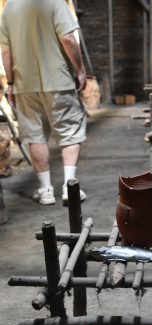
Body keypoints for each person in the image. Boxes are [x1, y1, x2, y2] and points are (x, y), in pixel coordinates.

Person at [0, 0, 87, 206]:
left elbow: (5, 51)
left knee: (35, 136)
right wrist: (80, 70)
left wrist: (11, 83)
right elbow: (68, 39)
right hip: (58, 80)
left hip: (24, 83)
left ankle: (45, 190)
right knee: (69, 132)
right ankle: (69, 187)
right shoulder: (56, 3)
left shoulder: (9, 8)